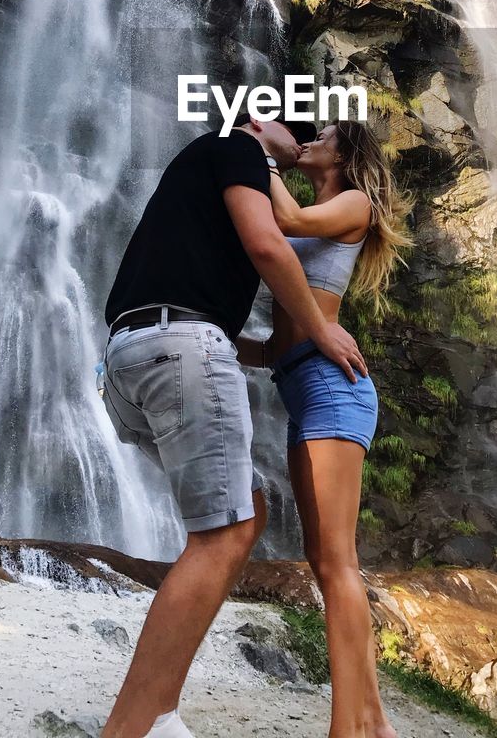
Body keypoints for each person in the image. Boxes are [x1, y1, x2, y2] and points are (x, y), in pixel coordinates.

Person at [99, 115, 368, 738]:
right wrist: (322, 328)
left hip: (127, 357)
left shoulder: (205, 168)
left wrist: (274, 346)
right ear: (255, 122)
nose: (301, 134)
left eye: (316, 132)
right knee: (228, 531)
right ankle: (132, 727)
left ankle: (157, 715)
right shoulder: (240, 148)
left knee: (239, 511)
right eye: (290, 124)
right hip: (183, 347)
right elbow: (269, 244)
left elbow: (266, 333)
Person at [239, 121, 412, 738]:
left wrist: (261, 151)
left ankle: (348, 730)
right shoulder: (321, 209)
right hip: (302, 384)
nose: (310, 139)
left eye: (324, 135)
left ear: (349, 153)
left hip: (334, 393)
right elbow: (281, 343)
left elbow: (281, 222)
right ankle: (376, 723)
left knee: (336, 563)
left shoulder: (352, 204)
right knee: (324, 561)